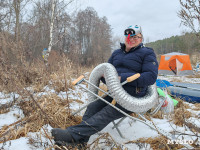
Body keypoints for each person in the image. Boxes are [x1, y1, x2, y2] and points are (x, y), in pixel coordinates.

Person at [51, 25, 158, 147]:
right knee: (92, 107)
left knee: (105, 113)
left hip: (133, 96)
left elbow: (150, 77)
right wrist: (105, 77)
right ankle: (80, 142)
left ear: (141, 38)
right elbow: (105, 72)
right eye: (128, 36)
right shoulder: (116, 53)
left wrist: (121, 78)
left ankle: (72, 134)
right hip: (114, 94)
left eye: (135, 37)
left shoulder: (147, 53)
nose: (131, 39)